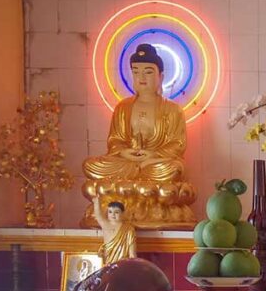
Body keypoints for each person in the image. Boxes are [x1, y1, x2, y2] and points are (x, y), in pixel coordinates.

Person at [82, 43, 196, 227]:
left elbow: (178, 144)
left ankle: (133, 194)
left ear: (161, 77)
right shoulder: (123, 108)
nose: (141, 77)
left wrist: (153, 155)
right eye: (136, 71)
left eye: (148, 72)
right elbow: (115, 140)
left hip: (155, 164)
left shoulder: (173, 110)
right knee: (91, 166)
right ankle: (139, 191)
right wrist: (124, 153)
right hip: (126, 164)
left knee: (174, 169)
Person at [93, 197, 137, 264]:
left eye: (116, 212)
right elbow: (98, 215)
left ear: (123, 213)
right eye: (110, 212)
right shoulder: (105, 224)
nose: (113, 215)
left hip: (123, 263)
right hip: (108, 261)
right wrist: (96, 202)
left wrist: (133, 264)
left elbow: (132, 253)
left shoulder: (129, 229)